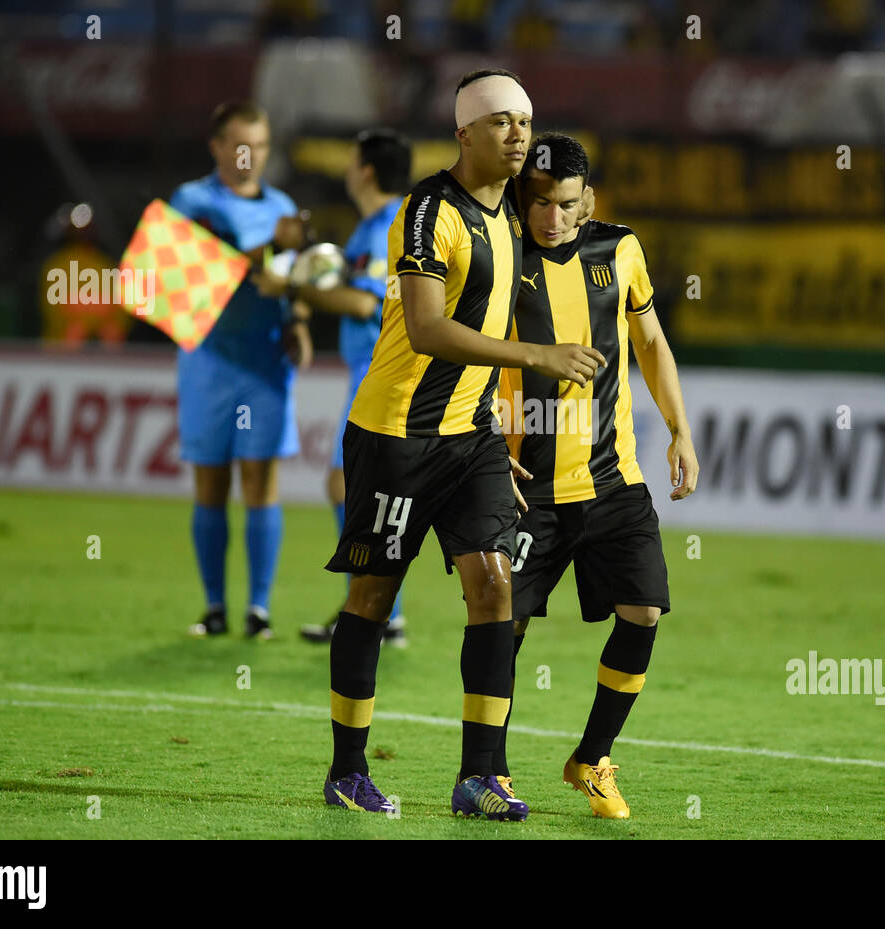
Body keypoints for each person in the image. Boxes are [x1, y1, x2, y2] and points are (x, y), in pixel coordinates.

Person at [320, 70, 604, 820]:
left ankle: (480, 777)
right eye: (502, 120)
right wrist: (539, 358)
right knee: (372, 596)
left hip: (470, 440)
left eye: (527, 120)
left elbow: (570, 227)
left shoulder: (514, 217)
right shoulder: (425, 210)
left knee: (495, 588)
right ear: (465, 133)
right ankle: (349, 770)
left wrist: (493, 434)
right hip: (394, 437)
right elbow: (427, 329)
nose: (519, 133)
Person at [497, 132, 700, 818]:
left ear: (589, 202)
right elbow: (462, 357)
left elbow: (649, 341)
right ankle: (488, 771)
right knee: (504, 623)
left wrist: (679, 427)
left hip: (615, 479)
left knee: (643, 611)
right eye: (541, 203)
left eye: (566, 204)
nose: (552, 217)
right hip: (529, 485)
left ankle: (591, 757)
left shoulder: (621, 249)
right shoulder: (500, 255)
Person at [254, 129, 413, 649]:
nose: (347, 169)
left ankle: (375, 612)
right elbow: (345, 282)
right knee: (355, 491)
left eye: (352, 160)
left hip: (382, 375)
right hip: (368, 373)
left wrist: (293, 286)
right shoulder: (376, 226)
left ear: (365, 169)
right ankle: (376, 613)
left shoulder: (391, 226)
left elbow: (368, 304)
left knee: (355, 490)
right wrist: (304, 289)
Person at [169, 101, 309, 641]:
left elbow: (293, 279)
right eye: (240, 144)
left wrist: (297, 319)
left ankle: (258, 610)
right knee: (209, 481)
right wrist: (273, 246)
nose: (251, 156)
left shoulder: (282, 206)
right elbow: (185, 276)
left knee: (259, 479)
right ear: (218, 146)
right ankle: (213, 607)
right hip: (207, 358)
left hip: (265, 360)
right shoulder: (193, 201)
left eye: (262, 145)